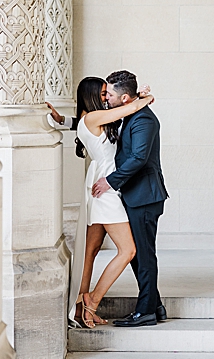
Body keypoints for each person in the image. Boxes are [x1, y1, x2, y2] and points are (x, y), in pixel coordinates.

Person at [67, 77, 154, 329]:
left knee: (90, 251)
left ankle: (80, 309)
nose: (106, 98)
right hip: (105, 191)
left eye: (108, 93)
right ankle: (92, 301)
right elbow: (128, 109)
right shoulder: (92, 118)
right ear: (92, 95)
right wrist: (144, 98)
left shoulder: (88, 119)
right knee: (128, 250)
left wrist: (63, 121)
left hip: (101, 186)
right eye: (103, 93)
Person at [92, 69, 169, 327]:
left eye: (110, 94)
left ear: (125, 98)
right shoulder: (130, 114)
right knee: (137, 254)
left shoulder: (144, 120)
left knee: (144, 256)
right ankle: (154, 305)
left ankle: (145, 311)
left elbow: (139, 158)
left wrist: (109, 181)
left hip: (145, 196)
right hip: (135, 195)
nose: (106, 99)